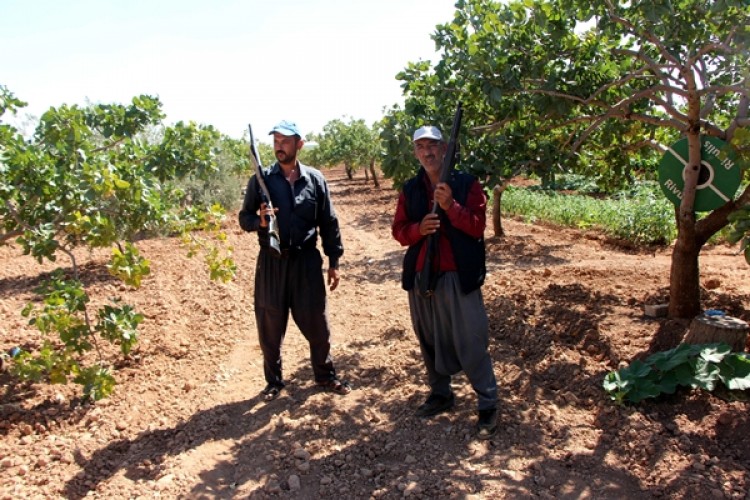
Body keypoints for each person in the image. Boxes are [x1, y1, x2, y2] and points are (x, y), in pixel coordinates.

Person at [391, 125, 498, 439]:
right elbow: (399, 231)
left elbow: (477, 227)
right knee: (429, 338)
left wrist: (452, 207)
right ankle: (441, 394)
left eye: (434, 145)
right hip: (422, 276)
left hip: (457, 276)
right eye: (421, 146)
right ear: (415, 152)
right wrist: (418, 229)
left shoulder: (466, 184)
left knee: (471, 340)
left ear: (446, 148)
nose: (428, 152)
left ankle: (488, 403)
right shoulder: (410, 189)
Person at [239, 120, 350, 400]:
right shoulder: (261, 179)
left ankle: (325, 376)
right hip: (272, 262)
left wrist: (334, 261)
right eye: (276, 140)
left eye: (285, 141)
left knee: (318, 324)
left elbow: (329, 221)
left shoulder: (315, 179)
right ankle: (274, 382)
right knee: (270, 325)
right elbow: (244, 218)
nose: (279, 146)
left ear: (299, 144)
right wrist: (260, 221)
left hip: (306, 262)